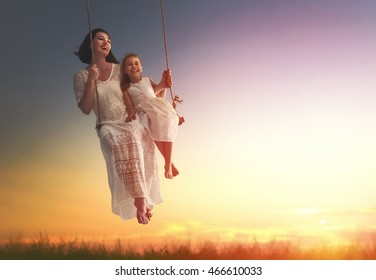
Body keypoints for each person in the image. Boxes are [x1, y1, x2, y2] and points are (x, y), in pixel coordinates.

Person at [73, 28, 163, 225]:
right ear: (90, 44)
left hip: (127, 119)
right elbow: (86, 108)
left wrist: (162, 86)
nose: (106, 42)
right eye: (100, 39)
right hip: (106, 124)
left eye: (109, 40)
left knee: (133, 136)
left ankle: (141, 199)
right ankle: (139, 197)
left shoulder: (118, 69)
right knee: (112, 141)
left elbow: (139, 88)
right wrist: (91, 81)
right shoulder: (81, 76)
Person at [120, 53, 179, 179]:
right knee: (153, 127)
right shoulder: (126, 88)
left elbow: (159, 94)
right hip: (143, 111)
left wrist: (165, 83)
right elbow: (130, 107)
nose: (134, 66)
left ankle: (168, 163)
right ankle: (169, 163)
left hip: (157, 107)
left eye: (136, 63)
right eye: (129, 64)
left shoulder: (147, 80)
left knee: (168, 121)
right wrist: (131, 115)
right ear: (124, 70)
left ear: (141, 67)